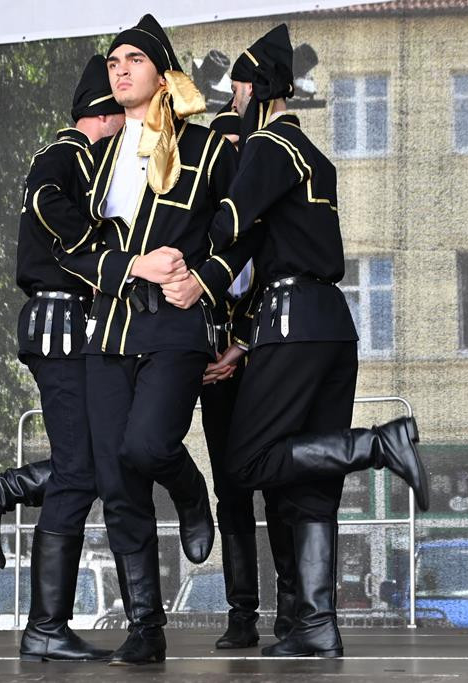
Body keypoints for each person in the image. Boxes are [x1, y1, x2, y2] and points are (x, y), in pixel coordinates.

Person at [161, 25, 431, 658]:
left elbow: (228, 221)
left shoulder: (267, 147)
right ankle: (315, 624)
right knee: (310, 484)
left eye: (235, 94)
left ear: (254, 90)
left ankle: (377, 443)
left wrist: (173, 253)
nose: (231, 103)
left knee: (245, 463)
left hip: (289, 319)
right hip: (330, 322)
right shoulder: (315, 156)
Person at [48, 14, 255, 665]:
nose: (119, 68)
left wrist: (208, 283)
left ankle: (189, 487)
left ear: (162, 74)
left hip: (176, 325)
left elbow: (249, 230)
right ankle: (146, 624)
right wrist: (126, 267)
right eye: (112, 61)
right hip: (108, 327)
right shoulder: (95, 158)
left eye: (132, 58)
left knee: (146, 445)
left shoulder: (210, 149)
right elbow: (71, 250)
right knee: (116, 474)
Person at [0, 55, 124, 662]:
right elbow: (56, 214)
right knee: (82, 470)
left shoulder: (77, 161)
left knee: (99, 463)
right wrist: (113, 245)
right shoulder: (64, 158)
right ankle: (46, 626)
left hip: (72, 324)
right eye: (123, 113)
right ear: (104, 113)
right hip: (61, 323)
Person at [200, 102, 296, 649]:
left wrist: (243, 346)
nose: (231, 158)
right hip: (218, 378)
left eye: (239, 148)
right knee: (230, 493)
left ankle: (289, 611)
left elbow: (285, 288)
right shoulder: (205, 226)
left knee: (279, 488)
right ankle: (242, 614)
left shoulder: (272, 217)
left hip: (268, 370)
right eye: (222, 150)